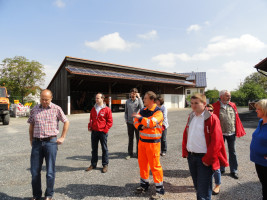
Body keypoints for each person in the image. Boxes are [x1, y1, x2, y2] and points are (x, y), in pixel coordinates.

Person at [182, 94, 228, 200]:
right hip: (192, 157)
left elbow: (217, 142)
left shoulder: (212, 118)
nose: (193, 106)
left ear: (204, 104)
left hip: (204, 159)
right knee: (198, 188)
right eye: (192, 103)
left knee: (203, 192)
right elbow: (187, 134)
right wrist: (186, 151)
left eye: (196, 103)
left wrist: (208, 159)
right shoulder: (191, 116)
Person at [28, 89, 69, 200]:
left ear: (51, 98)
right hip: (37, 142)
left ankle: (48, 195)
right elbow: (31, 125)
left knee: (50, 171)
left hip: (51, 143)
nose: (44, 101)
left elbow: (66, 121)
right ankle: (36, 195)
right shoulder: (35, 109)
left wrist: (62, 137)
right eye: (42, 99)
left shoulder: (56, 109)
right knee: (35, 171)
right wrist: (31, 139)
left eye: (46, 99)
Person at [132, 91, 165, 200]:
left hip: (153, 144)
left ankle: (160, 189)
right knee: (142, 164)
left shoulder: (158, 112)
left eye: (145, 98)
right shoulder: (143, 110)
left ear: (151, 100)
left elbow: (151, 123)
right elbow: (135, 121)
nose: (143, 100)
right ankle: (144, 185)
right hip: (142, 142)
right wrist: (140, 126)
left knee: (155, 166)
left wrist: (141, 119)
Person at [213, 90, 246, 179]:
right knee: (219, 151)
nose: (229, 97)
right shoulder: (214, 106)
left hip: (232, 132)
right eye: (227, 95)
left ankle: (234, 170)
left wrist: (238, 129)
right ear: (221, 96)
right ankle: (221, 167)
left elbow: (237, 118)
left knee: (233, 152)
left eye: (229, 96)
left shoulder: (233, 105)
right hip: (220, 133)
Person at [85, 93, 113, 173]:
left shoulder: (107, 109)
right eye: (96, 98)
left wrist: (105, 130)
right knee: (94, 149)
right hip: (94, 132)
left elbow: (110, 121)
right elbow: (91, 119)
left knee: (104, 149)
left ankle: (105, 165)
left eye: (98, 98)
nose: (96, 99)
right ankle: (93, 164)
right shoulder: (93, 109)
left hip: (102, 132)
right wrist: (90, 126)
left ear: (102, 99)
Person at [250, 99, 267, 200]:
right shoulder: (261, 122)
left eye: (258, 109)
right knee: (264, 183)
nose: (256, 110)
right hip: (258, 161)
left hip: (265, 163)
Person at [124, 88, 144, 160]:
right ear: (130, 94)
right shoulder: (127, 101)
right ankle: (130, 153)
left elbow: (142, 108)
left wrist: (139, 98)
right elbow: (126, 111)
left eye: (134, 93)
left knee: (138, 139)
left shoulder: (138, 101)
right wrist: (126, 119)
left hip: (137, 123)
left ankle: (139, 153)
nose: (133, 94)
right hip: (129, 123)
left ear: (136, 94)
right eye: (132, 93)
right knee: (130, 138)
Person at [207, 104, 221, 195]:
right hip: (205, 148)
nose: (209, 112)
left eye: (211, 110)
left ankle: (217, 185)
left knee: (216, 167)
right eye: (207, 110)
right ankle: (207, 184)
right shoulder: (202, 120)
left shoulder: (215, 118)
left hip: (214, 147)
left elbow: (217, 137)